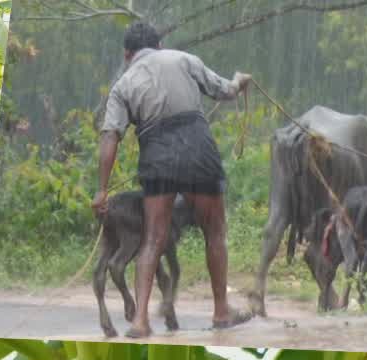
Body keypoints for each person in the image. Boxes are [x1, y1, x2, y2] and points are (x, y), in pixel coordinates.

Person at [93, 21, 253, 337]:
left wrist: (101, 191)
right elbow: (226, 91)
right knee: (214, 231)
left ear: (127, 54)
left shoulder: (123, 85)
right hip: (197, 145)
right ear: (160, 47)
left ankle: (140, 320)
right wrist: (239, 80)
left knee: (152, 238)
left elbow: (110, 137)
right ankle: (221, 311)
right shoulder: (184, 59)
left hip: (156, 152)